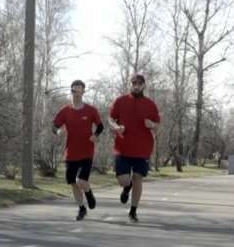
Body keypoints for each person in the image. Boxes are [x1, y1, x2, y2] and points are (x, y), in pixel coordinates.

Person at [108, 73, 160, 223]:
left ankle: (133, 211)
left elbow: (157, 124)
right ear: (130, 84)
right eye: (133, 83)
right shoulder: (120, 101)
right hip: (122, 147)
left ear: (143, 85)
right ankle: (126, 187)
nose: (136, 86)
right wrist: (117, 127)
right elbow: (110, 118)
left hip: (143, 148)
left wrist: (152, 125)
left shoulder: (150, 104)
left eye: (139, 83)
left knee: (138, 178)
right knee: (123, 180)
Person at [52, 80, 104, 221]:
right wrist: (57, 132)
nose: (76, 92)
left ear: (83, 91)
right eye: (73, 89)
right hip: (71, 153)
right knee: (73, 183)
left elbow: (100, 126)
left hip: (87, 152)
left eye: (78, 89)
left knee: (81, 181)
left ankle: (89, 193)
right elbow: (54, 125)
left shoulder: (91, 110)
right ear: (71, 91)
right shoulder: (65, 110)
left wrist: (95, 135)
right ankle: (82, 208)